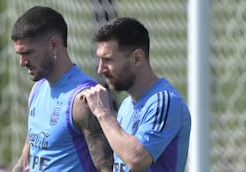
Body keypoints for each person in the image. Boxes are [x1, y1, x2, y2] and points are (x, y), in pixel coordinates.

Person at [81, 17, 191, 172]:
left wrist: (103, 113)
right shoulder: (126, 105)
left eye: (108, 60)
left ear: (137, 58)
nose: (100, 69)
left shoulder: (164, 102)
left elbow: (136, 159)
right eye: (99, 60)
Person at [11, 6, 113, 172]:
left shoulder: (83, 100)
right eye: (19, 55)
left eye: (28, 53)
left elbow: (107, 167)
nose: (22, 62)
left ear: (53, 45)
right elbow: (26, 162)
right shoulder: (37, 90)